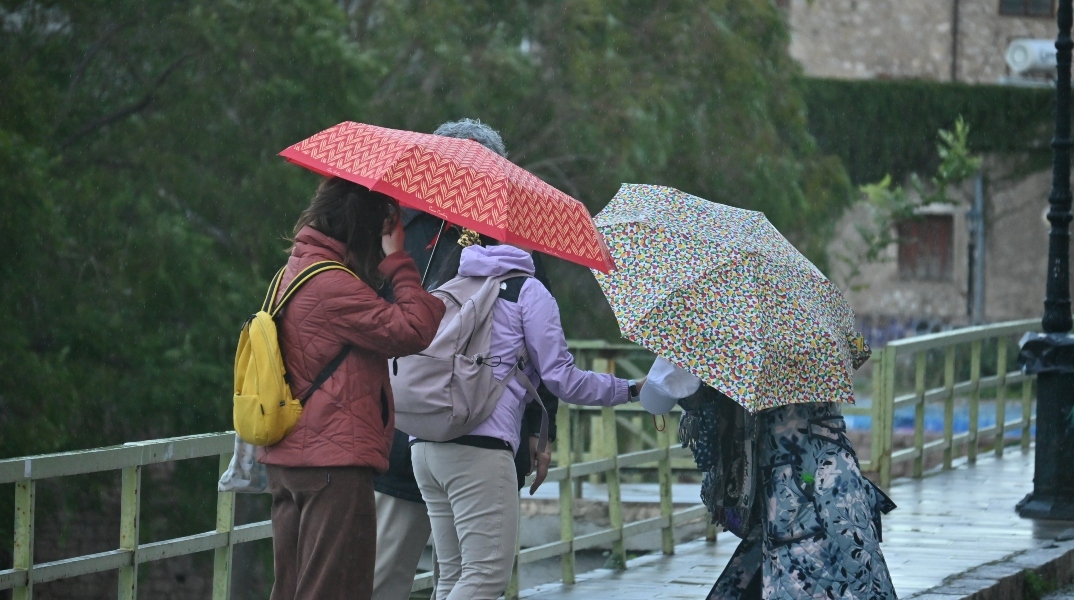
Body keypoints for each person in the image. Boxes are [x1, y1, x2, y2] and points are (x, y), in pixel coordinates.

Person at [372, 119, 561, 600]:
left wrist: (542, 432)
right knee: (453, 578)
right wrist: (541, 434)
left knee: (445, 578)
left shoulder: (398, 231)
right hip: (440, 439)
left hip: (420, 433)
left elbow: (537, 350)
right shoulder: (402, 231)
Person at [410, 230, 642, 600]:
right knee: (485, 577)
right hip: (481, 450)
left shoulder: (449, 282)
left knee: (453, 577)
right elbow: (563, 379)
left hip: (425, 444)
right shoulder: (529, 291)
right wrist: (628, 389)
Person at [259, 177, 446, 600]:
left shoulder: (294, 270)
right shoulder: (332, 285)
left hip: (294, 455)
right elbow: (413, 329)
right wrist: (399, 260)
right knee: (334, 587)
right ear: (364, 227)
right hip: (332, 461)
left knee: (294, 586)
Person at [639, 357, 898, 600]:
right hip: (840, 474)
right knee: (858, 569)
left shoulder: (728, 329)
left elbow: (657, 398)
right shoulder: (818, 329)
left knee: (800, 572)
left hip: (789, 484)